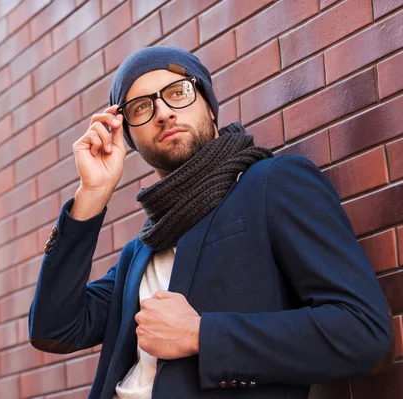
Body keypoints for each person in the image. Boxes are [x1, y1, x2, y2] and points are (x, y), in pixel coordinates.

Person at [27, 46, 393, 399]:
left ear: (209, 104)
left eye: (178, 92)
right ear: (129, 138)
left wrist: (201, 334)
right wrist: (92, 193)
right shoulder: (140, 253)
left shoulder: (273, 184)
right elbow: (53, 328)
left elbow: (364, 331)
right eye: (141, 107)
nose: (164, 113)